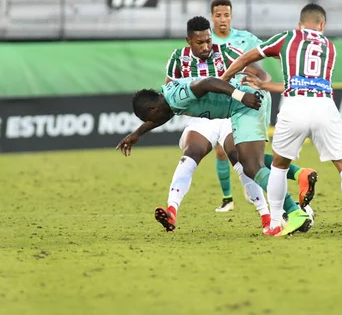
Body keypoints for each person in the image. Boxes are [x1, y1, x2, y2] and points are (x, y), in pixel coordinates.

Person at [221, 3, 342, 237]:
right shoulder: (329, 47)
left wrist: (224, 78)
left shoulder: (287, 37)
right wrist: (264, 85)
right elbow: (307, 83)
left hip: (294, 107)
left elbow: (246, 58)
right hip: (324, 106)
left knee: (279, 167)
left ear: (299, 24)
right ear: (323, 25)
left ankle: (276, 222)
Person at [115, 75, 313, 236]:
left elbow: (208, 82)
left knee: (252, 166)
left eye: (150, 118)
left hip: (245, 103)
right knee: (249, 161)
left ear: (153, 109)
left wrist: (240, 97)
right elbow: (163, 116)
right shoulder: (167, 100)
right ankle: (297, 182)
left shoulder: (177, 96)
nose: (154, 121)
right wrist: (137, 133)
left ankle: (295, 212)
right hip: (241, 104)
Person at [208, 0, 317, 211]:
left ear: (231, 16)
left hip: (244, 102)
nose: (223, 19)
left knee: (247, 159)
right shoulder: (204, 40)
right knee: (237, 155)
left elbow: (267, 61)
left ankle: (289, 208)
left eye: (227, 15)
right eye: (218, 15)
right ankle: (233, 198)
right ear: (212, 16)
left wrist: (263, 83)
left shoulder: (245, 39)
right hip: (220, 102)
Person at [162, 16, 271, 227]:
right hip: (202, 120)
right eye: (200, 43)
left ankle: (266, 216)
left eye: (208, 41)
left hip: (230, 114)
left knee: (240, 158)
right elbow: (169, 92)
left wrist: (260, 84)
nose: (206, 47)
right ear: (189, 41)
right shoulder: (177, 58)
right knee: (190, 153)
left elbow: (260, 73)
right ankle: (171, 209)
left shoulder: (226, 53)